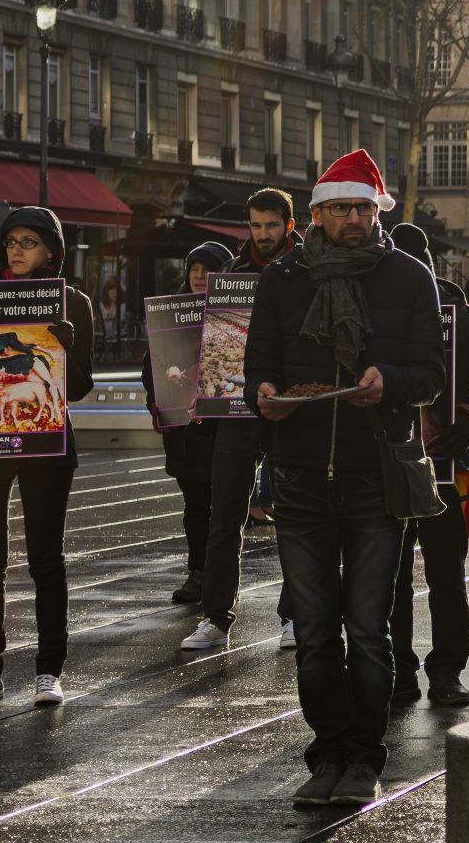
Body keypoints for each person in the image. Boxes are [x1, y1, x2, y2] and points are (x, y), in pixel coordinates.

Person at [244, 149, 445, 807]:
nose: (353, 219)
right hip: (298, 477)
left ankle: (363, 756)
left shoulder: (410, 278)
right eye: (341, 209)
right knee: (312, 635)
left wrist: (389, 385)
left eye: (363, 208)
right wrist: (267, 394)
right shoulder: (281, 281)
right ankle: (325, 752)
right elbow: (256, 372)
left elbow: (431, 376)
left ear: (378, 211)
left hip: (371, 477)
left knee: (368, 630)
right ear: (318, 214)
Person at [0, 207, 98, 708]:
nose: (17, 249)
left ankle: (49, 671)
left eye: (29, 241)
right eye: (11, 240)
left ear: (51, 251)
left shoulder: (72, 301)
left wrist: (66, 347)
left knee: (45, 560)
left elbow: (76, 387)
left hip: (45, 444)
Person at [386, 223, 469, 709]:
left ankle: (446, 671)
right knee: (391, 575)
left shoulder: (466, 323)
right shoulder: (377, 317)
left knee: (444, 574)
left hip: (446, 468)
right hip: (392, 467)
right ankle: (399, 669)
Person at [187, 190, 301, 652]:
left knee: (295, 515)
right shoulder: (232, 276)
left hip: (289, 406)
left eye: (271, 225)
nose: (264, 234)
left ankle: (295, 615)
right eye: (255, 226)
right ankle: (216, 616)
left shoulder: (305, 271)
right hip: (237, 409)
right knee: (224, 514)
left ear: (289, 224)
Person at [154, 241, 232, 608]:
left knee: (225, 508)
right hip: (185, 432)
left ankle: (220, 574)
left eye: (208, 269)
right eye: (194, 269)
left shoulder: (234, 311)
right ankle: (199, 570)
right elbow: (152, 365)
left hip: (225, 430)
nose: (200, 276)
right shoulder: (169, 313)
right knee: (195, 507)